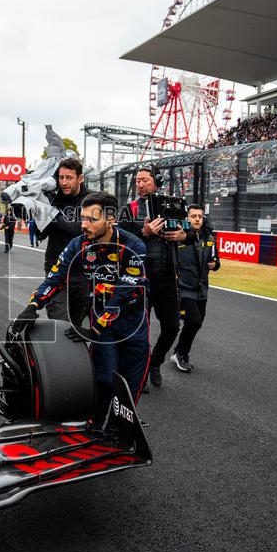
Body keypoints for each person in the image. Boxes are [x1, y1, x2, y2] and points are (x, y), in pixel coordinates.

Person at [12, 191, 150, 410]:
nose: (84, 225)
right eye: (83, 218)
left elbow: (126, 293)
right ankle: (100, 424)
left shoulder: (134, 246)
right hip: (102, 324)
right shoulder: (78, 245)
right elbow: (56, 276)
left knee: (130, 384)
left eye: (92, 220)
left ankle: (123, 424)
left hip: (132, 323)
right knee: (104, 379)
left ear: (111, 219)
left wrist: (94, 329)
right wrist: (33, 305)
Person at [123, 164, 192, 390]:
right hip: (138, 278)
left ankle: (155, 362)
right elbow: (118, 235)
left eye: (145, 180)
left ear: (157, 182)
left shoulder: (172, 204)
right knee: (139, 328)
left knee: (172, 326)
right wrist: (143, 232)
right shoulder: (130, 208)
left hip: (167, 277)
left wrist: (183, 235)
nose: (141, 184)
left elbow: (192, 232)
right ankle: (139, 370)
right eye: (138, 180)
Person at [39, 157, 90, 326]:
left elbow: (79, 230)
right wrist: (38, 210)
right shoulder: (53, 199)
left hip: (83, 270)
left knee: (74, 327)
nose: (64, 182)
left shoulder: (91, 200)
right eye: (61, 178)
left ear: (80, 178)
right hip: (55, 267)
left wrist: (52, 213)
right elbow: (41, 234)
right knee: (60, 324)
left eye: (69, 178)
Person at [171, 205, 220, 372]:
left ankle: (178, 350)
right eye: (193, 216)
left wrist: (215, 265)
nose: (197, 219)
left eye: (200, 216)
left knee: (196, 324)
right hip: (183, 288)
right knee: (193, 321)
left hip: (202, 288)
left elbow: (216, 260)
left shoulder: (209, 238)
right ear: (186, 219)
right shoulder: (177, 238)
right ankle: (181, 355)